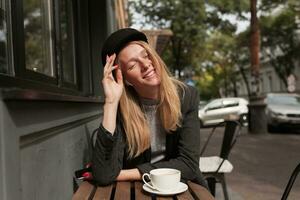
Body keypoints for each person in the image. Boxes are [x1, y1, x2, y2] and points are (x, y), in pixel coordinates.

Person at [92, 28, 207, 188]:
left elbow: (188, 165)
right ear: (125, 79)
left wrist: (122, 174)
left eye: (146, 56)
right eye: (133, 65)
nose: (146, 65)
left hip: (183, 188)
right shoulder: (120, 109)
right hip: (137, 191)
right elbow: (103, 175)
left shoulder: (187, 96)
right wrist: (111, 103)